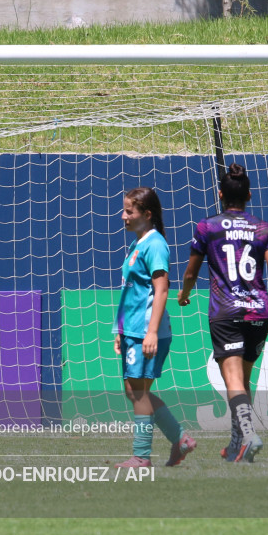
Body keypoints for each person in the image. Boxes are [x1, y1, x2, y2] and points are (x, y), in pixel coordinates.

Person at [178, 163, 268, 462]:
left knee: (233, 382)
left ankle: (248, 435)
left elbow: (192, 271)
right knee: (243, 383)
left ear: (220, 194)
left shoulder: (207, 227)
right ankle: (237, 445)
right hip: (259, 312)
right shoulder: (265, 229)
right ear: (248, 195)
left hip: (226, 311)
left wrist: (184, 293)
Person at [113, 187, 195, 467]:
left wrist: (150, 332)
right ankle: (180, 439)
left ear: (147, 215)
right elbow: (132, 292)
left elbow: (161, 290)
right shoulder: (139, 243)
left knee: (138, 392)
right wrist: (119, 330)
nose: (123, 216)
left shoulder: (155, 244)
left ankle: (141, 456)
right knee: (135, 391)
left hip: (147, 330)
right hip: (132, 329)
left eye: (129, 211)